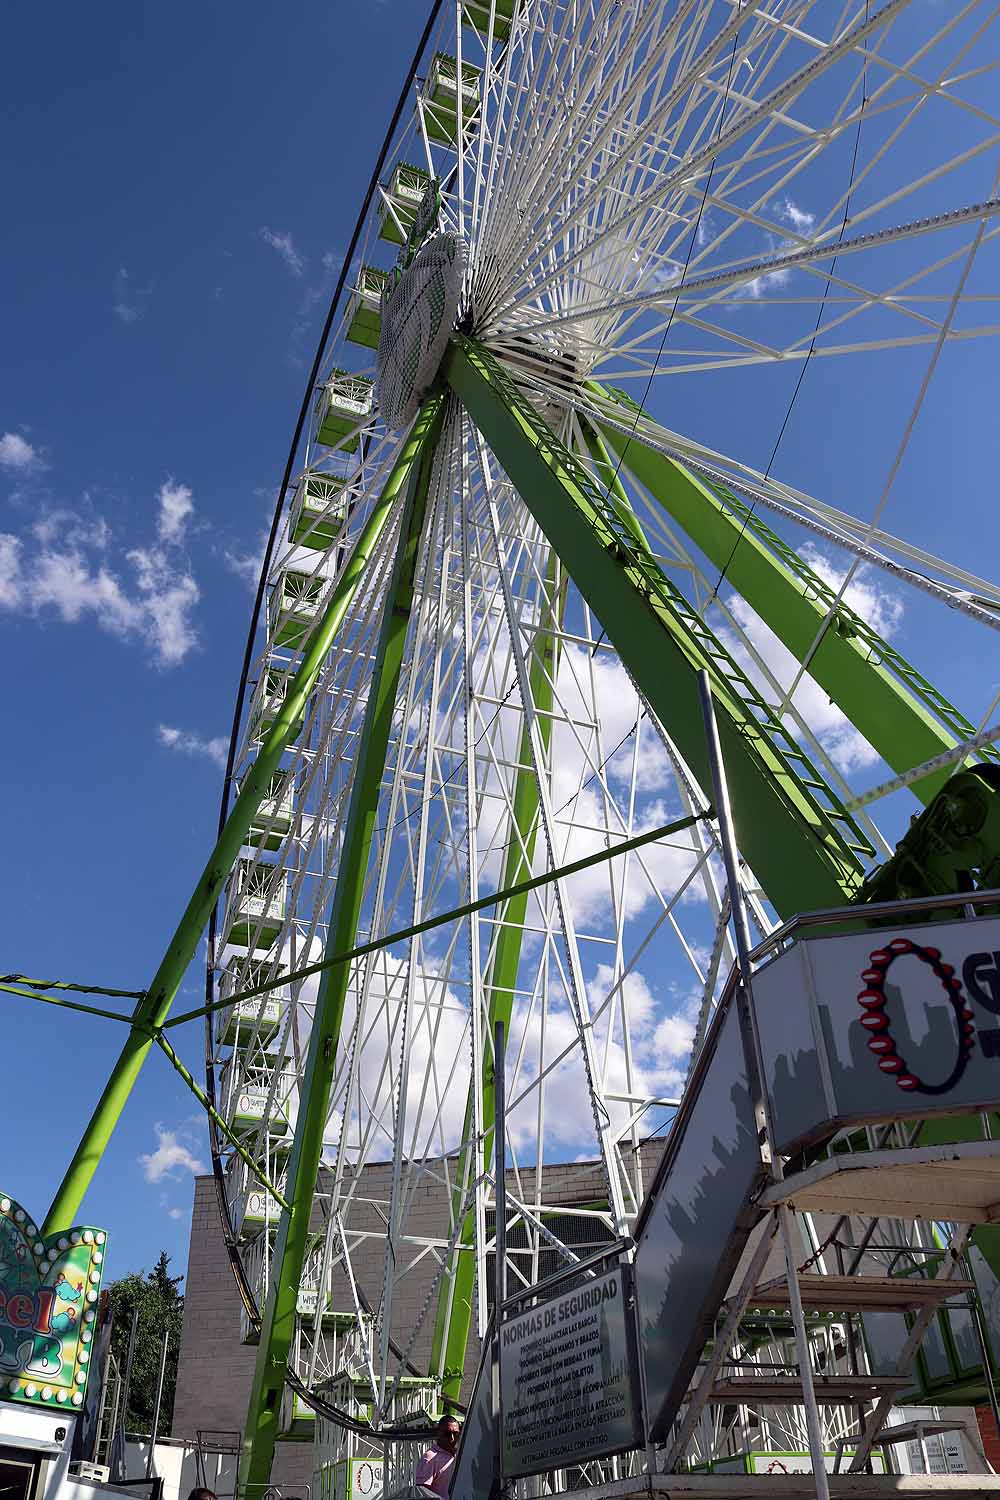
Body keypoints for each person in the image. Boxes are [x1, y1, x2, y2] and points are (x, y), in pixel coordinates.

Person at [415, 1414, 461, 1499]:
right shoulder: (430, 1458)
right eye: (447, 1433)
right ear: (438, 1433)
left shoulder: (460, 1454)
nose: (452, 1438)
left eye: (455, 1433)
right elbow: (422, 1493)